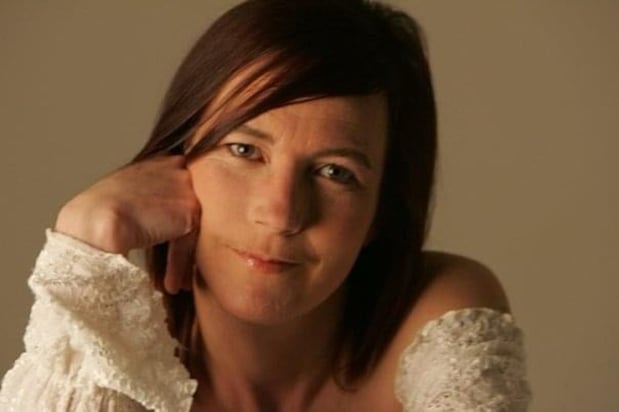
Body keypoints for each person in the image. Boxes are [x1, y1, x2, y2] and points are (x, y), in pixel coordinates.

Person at [0, 0, 531, 410]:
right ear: (176, 159)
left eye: (335, 172)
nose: (281, 214)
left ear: (380, 213)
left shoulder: (440, 314)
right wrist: (87, 237)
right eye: (244, 151)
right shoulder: (109, 365)